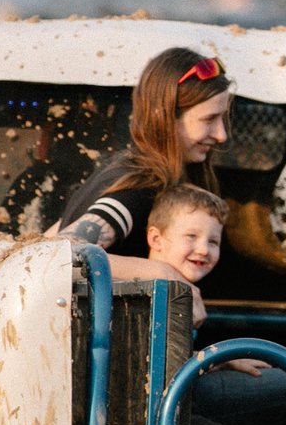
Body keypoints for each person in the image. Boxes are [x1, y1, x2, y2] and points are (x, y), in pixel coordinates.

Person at [134, 185, 286, 425]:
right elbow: (153, 387)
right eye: (191, 236)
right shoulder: (150, 293)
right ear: (156, 239)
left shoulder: (180, 291)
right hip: (168, 411)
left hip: (181, 404)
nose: (203, 249)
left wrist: (219, 360)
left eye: (213, 241)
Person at [55, 46, 232, 311]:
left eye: (224, 119)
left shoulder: (120, 169)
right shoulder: (142, 185)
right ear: (166, 119)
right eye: (209, 119)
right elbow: (54, 253)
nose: (221, 135)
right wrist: (159, 273)